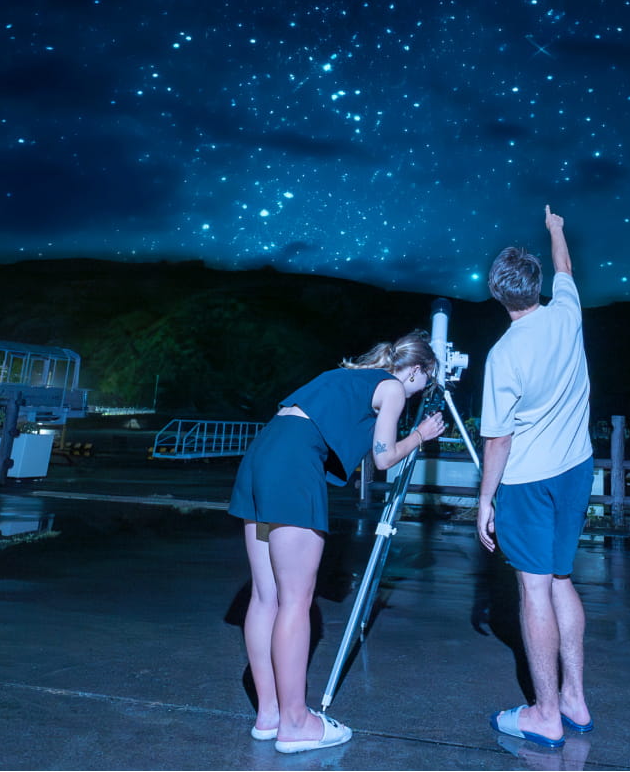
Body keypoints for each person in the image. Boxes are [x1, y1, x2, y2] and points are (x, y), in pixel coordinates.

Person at [229, 331, 446, 754]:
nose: (422, 392)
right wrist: (421, 434)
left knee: (264, 596)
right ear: (416, 370)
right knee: (295, 599)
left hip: (262, 456)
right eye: (426, 383)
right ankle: (295, 724)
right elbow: (383, 457)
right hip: (293, 466)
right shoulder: (392, 387)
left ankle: (269, 714)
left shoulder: (347, 376)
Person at [478, 205, 595, 749]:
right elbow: (566, 267)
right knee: (562, 580)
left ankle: (545, 713)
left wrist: (486, 501)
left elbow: (498, 439)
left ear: (497, 293)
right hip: (576, 470)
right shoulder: (567, 312)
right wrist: (556, 230)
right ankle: (574, 697)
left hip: (528, 481)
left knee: (534, 590)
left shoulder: (503, 355)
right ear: (538, 286)